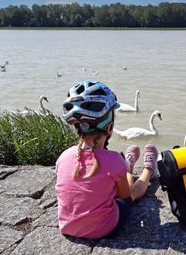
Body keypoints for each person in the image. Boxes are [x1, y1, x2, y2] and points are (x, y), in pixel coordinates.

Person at [55, 80, 159, 239]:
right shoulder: (113, 159)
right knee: (131, 194)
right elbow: (124, 196)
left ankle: (127, 168)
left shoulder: (63, 156)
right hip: (104, 228)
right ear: (109, 127)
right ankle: (148, 170)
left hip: (68, 227)